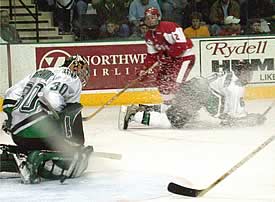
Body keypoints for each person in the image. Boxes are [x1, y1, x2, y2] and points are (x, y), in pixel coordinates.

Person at [0, 54, 93, 184]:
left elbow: (10, 94)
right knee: (74, 108)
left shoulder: (42, 71)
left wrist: (11, 119)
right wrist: (60, 118)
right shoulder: (72, 77)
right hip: (41, 135)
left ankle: (18, 155)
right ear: (77, 68)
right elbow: (51, 97)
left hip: (18, 134)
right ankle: (66, 149)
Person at [121, 61, 266, 129]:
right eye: (248, 73)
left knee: (177, 111)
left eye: (251, 73)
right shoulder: (234, 87)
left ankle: (141, 107)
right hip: (197, 93)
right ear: (240, 73)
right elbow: (231, 118)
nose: (250, 77)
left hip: (193, 86)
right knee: (172, 121)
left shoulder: (230, 76)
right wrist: (252, 119)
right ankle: (134, 115)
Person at [121, 7, 195, 129]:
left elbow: (181, 46)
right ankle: (168, 108)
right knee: (161, 81)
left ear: (158, 17)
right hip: (171, 59)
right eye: (147, 18)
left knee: (175, 84)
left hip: (185, 57)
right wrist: (143, 70)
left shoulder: (170, 27)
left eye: (153, 17)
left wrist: (167, 54)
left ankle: (180, 107)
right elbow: (152, 56)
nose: (150, 20)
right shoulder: (149, 36)